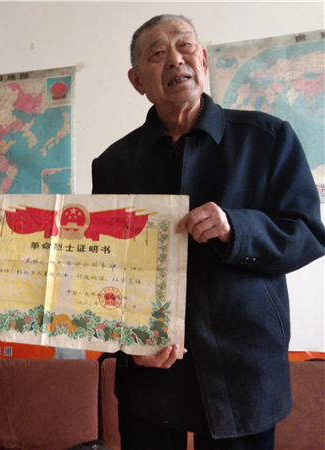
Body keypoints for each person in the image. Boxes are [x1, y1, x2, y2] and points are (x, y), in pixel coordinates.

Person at [92, 14, 325, 450]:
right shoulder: (113, 164)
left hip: (243, 369)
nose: (175, 60)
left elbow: (308, 234)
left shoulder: (267, 139)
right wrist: (126, 345)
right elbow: (103, 271)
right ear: (137, 81)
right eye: (157, 54)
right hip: (150, 370)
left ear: (202, 58)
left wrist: (238, 228)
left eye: (184, 46)